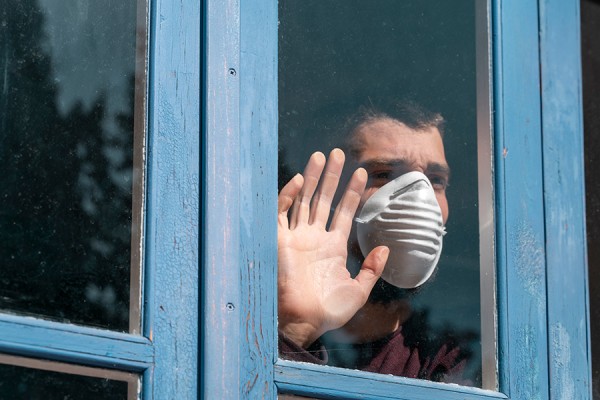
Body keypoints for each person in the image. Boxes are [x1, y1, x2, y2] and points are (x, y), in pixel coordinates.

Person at [277, 101, 468, 383]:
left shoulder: (448, 360)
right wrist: (296, 332)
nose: (419, 200)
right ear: (330, 193)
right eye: (382, 175)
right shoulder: (244, 323)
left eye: (436, 180)